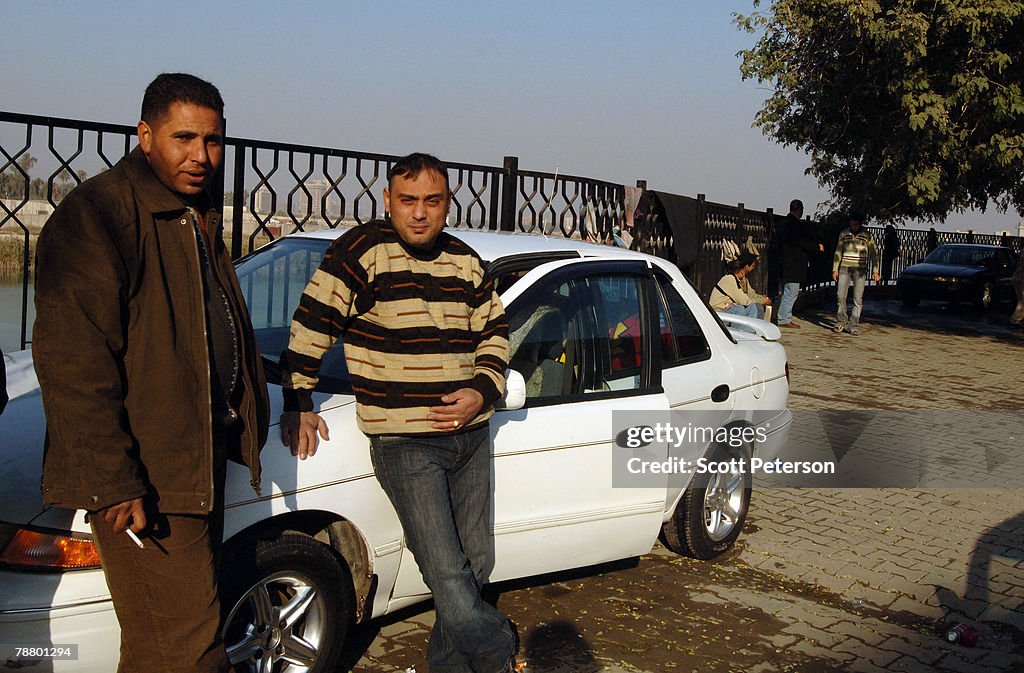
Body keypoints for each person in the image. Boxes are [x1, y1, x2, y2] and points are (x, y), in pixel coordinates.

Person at [33, 73, 269, 673]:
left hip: (193, 462)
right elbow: (74, 363)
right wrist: (114, 480)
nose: (201, 156)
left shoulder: (193, 212)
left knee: (161, 644)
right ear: (145, 135)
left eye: (213, 142)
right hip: (148, 475)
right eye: (183, 138)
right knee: (188, 651)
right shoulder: (101, 213)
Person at [279, 153, 518, 673]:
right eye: (407, 200)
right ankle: (495, 644)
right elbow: (311, 324)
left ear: (447, 204)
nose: (418, 213)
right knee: (447, 571)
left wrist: (483, 390)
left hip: (471, 435)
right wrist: (298, 400)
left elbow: (496, 332)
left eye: (431, 201)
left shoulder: (466, 261)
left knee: (477, 563)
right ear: (387, 201)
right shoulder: (361, 253)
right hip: (406, 443)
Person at [777, 199, 824, 328]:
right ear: (800, 210)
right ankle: (784, 318)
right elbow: (802, 242)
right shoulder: (795, 225)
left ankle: (783, 316)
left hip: (783, 262)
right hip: (793, 263)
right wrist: (816, 247)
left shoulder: (782, 223)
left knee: (785, 291)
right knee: (791, 291)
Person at [832, 210, 880, 335]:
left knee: (857, 298)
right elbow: (838, 252)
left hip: (860, 269)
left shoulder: (867, 235)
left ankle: (854, 323)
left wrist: (875, 271)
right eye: (852, 224)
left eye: (856, 224)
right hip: (845, 267)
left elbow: (873, 253)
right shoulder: (844, 233)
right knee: (840, 295)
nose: (854, 227)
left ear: (860, 224)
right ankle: (841, 320)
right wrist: (835, 269)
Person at [709, 250, 770, 319]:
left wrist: (762, 299)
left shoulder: (741, 280)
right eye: (752, 266)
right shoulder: (730, 279)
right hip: (719, 311)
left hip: (728, 308)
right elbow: (743, 300)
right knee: (747, 308)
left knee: (754, 307)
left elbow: (750, 294)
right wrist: (761, 301)